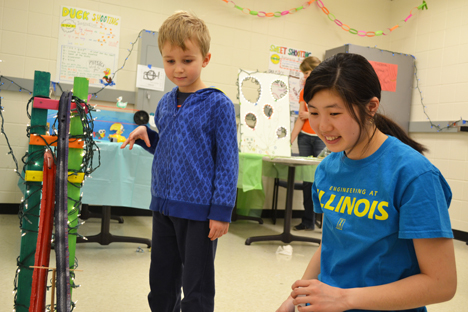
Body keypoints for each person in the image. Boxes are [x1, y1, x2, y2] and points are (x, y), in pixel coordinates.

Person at [276, 53, 457, 312]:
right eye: (314, 113)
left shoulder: (413, 174)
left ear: (371, 107)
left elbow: (441, 284)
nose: (322, 126)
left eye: (335, 113)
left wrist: (344, 299)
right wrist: (295, 298)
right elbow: (330, 245)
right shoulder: (327, 168)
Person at [121, 11, 238, 312]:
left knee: (196, 287)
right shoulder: (165, 103)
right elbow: (173, 148)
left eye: (187, 60)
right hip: (163, 207)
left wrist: (222, 211)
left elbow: (227, 162)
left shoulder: (218, 104)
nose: (178, 68)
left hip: (199, 213)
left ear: (205, 59)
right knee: (161, 281)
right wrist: (148, 134)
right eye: (170, 61)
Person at [290, 56, 326, 231]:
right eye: (303, 73)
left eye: (306, 72)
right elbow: (300, 117)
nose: (304, 77)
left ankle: (327, 222)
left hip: (321, 137)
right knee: (306, 181)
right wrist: (289, 140)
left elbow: (320, 115)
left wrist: (310, 115)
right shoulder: (305, 91)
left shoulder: (327, 89)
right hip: (304, 136)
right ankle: (308, 221)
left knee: (322, 180)